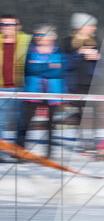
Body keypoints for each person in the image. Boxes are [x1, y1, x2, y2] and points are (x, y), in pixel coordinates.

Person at [16, 25, 65, 158]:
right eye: (37, 35)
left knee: (51, 125)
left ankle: (49, 154)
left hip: (52, 92)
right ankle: (19, 152)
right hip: (33, 91)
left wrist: (41, 67)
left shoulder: (58, 52)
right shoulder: (30, 51)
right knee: (24, 122)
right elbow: (30, 69)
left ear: (52, 37)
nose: (38, 38)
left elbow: (58, 71)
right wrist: (48, 67)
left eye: (42, 35)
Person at [61, 13, 101, 151]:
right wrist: (80, 54)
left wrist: (98, 58)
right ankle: (85, 140)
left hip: (92, 83)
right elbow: (66, 64)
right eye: (90, 25)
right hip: (76, 83)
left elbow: (103, 64)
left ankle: (93, 139)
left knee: (95, 113)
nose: (93, 28)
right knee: (81, 113)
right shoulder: (68, 43)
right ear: (80, 27)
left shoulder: (96, 42)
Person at [0, 15, 29, 160]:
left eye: (11, 24)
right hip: (1, 89)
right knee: (1, 123)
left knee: (20, 123)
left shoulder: (27, 41)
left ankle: (19, 153)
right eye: (4, 24)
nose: (7, 27)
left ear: (18, 26)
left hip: (21, 88)